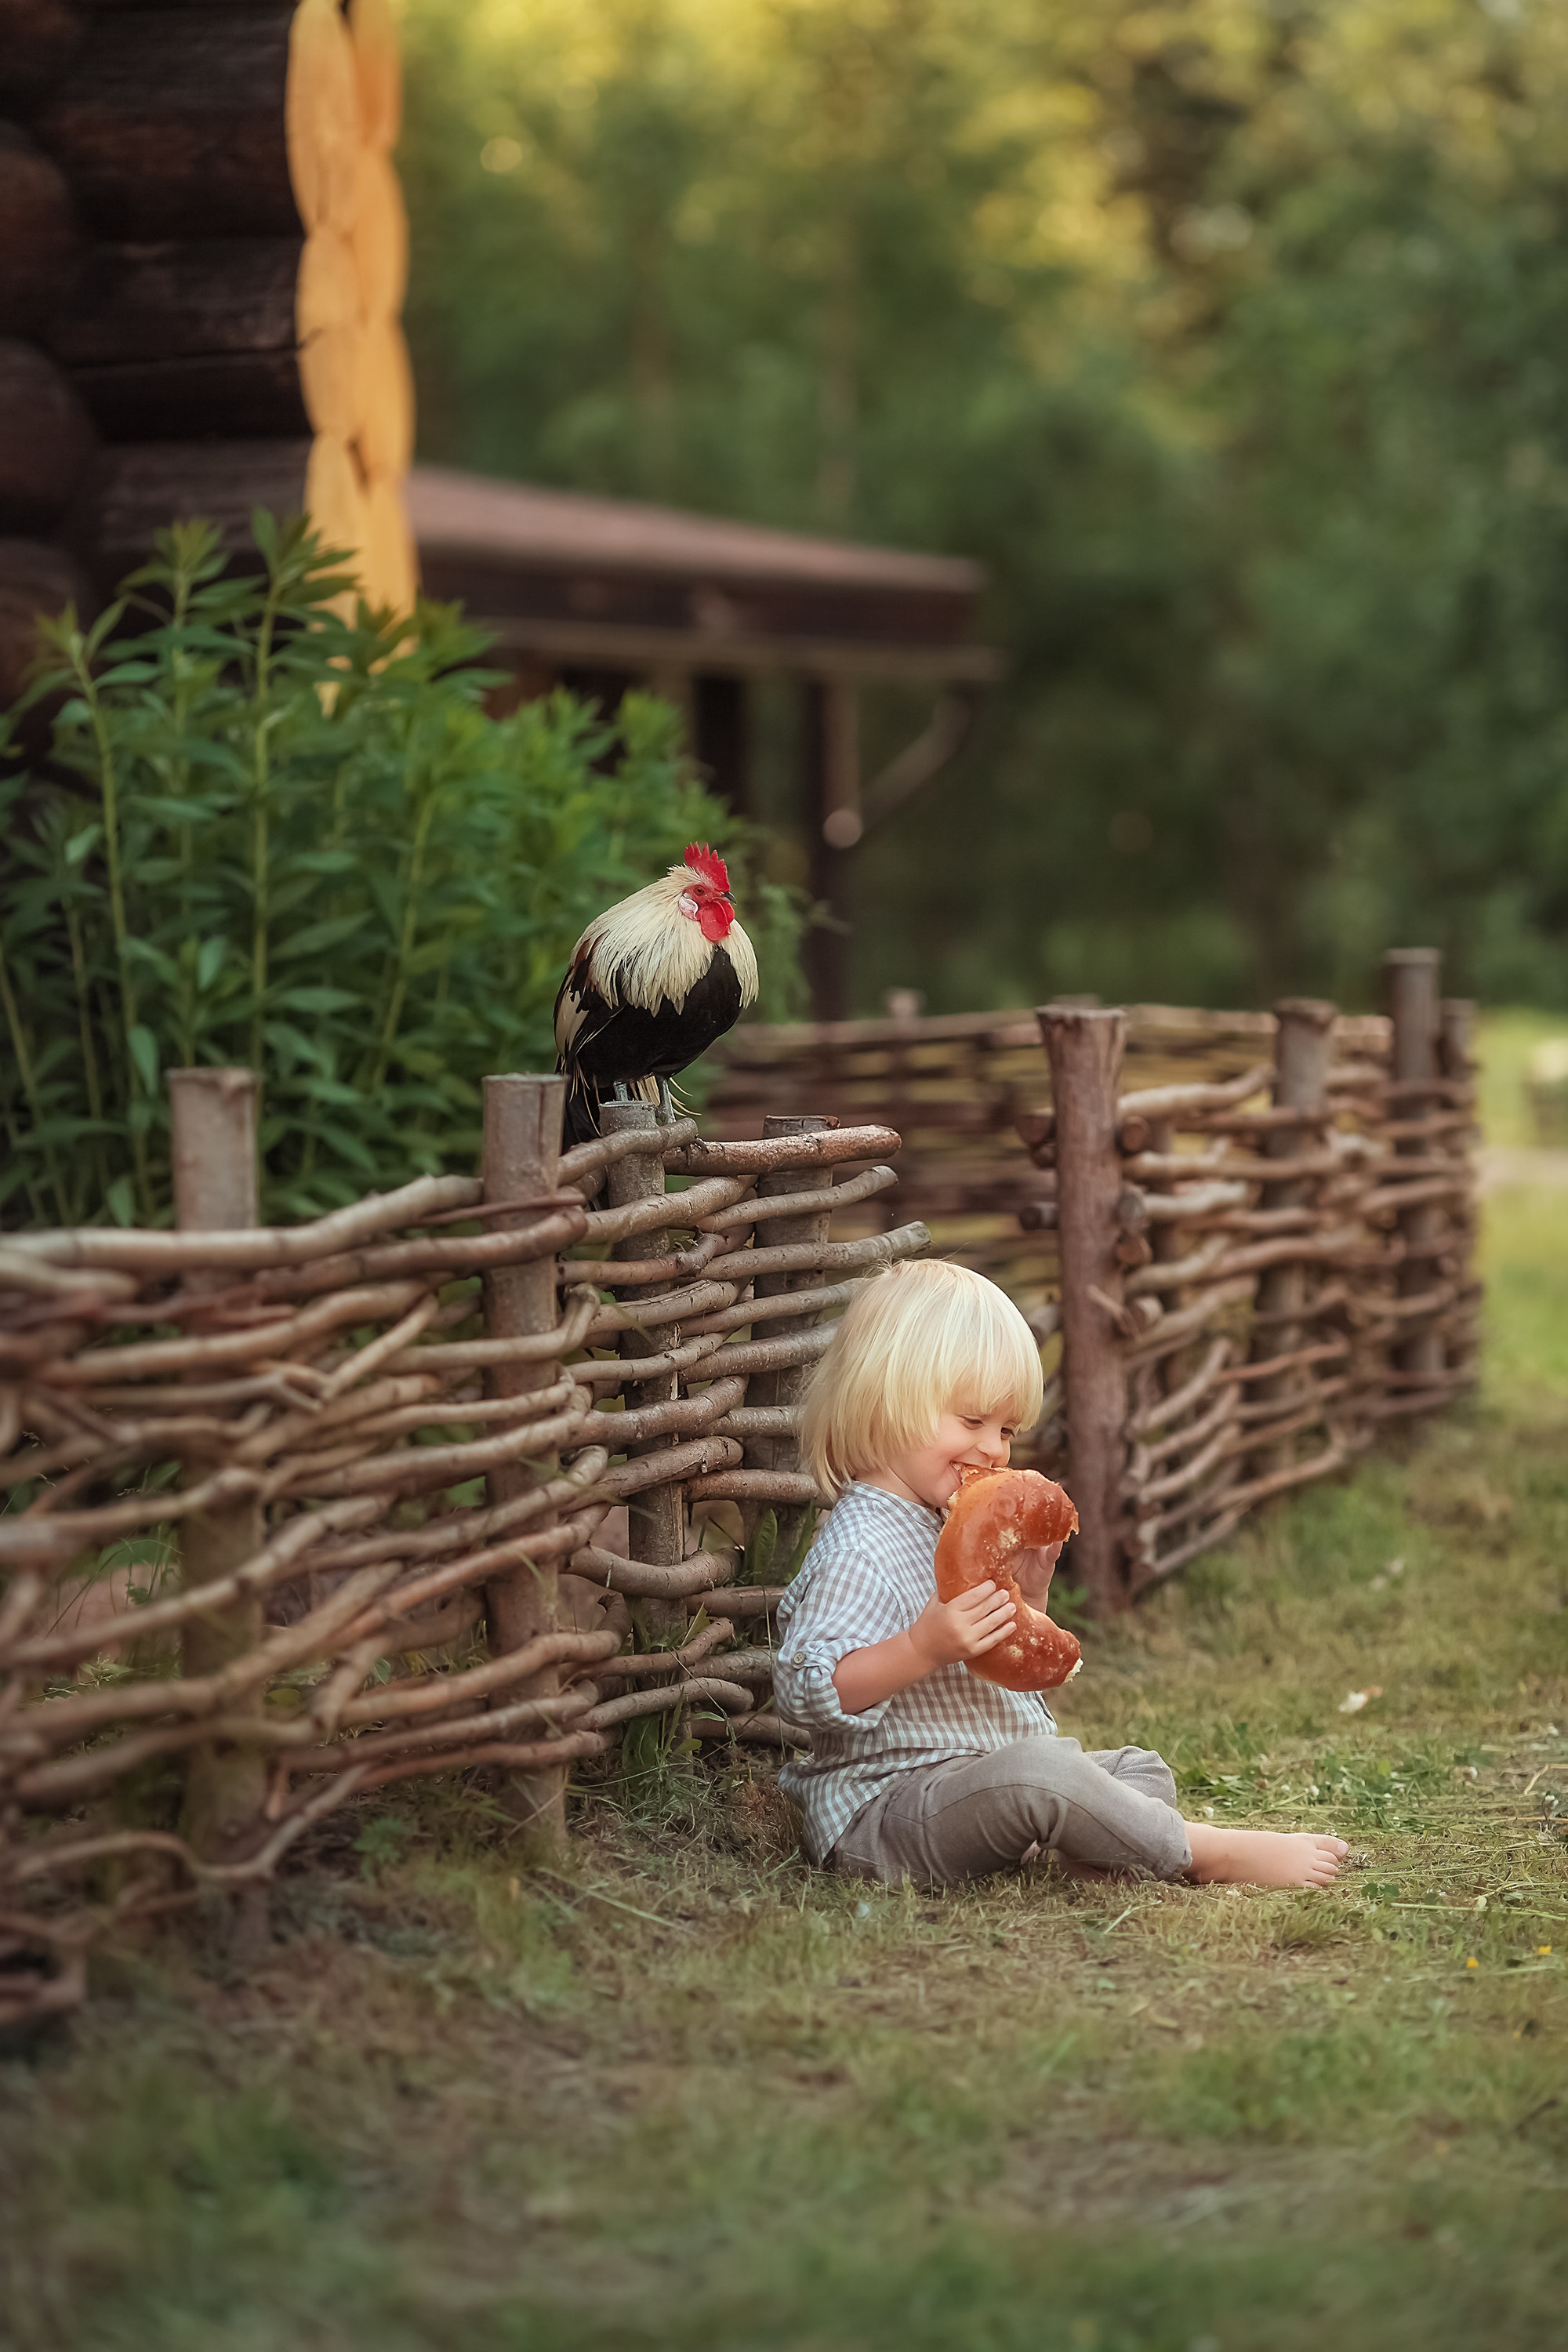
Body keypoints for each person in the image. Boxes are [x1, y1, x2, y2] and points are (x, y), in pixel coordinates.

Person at [772, 1259, 1348, 1892]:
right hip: (885, 1815)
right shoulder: (862, 1543)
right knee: (1046, 1773)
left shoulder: (950, 1525)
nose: (994, 1449)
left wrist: (1031, 1599)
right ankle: (1203, 1852)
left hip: (981, 1782)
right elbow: (806, 1691)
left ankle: (1083, 1851)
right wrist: (921, 1648)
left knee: (1137, 1767)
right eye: (971, 1422)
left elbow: (1003, 1684)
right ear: (887, 1399)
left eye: (1007, 1430)